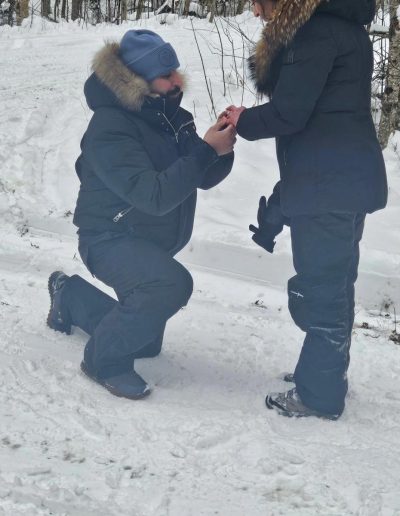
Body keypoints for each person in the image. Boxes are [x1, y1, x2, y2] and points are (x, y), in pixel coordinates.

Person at [47, 29, 235, 400]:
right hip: (107, 238)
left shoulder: (171, 116)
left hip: (146, 238)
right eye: (166, 75)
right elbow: (153, 196)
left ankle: (69, 297)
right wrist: (206, 152)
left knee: (145, 341)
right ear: (137, 80)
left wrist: (221, 146)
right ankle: (102, 362)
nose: (176, 80)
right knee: (169, 285)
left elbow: (203, 176)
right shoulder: (109, 127)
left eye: (175, 70)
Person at [225, 0, 387, 419]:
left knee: (322, 290)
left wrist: (242, 119)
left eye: (258, 2)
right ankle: (324, 374)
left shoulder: (314, 32)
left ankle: (319, 395)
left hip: (328, 183)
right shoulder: (344, 28)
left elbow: (290, 113)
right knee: (336, 284)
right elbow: (322, 116)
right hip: (342, 176)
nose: (255, 11)